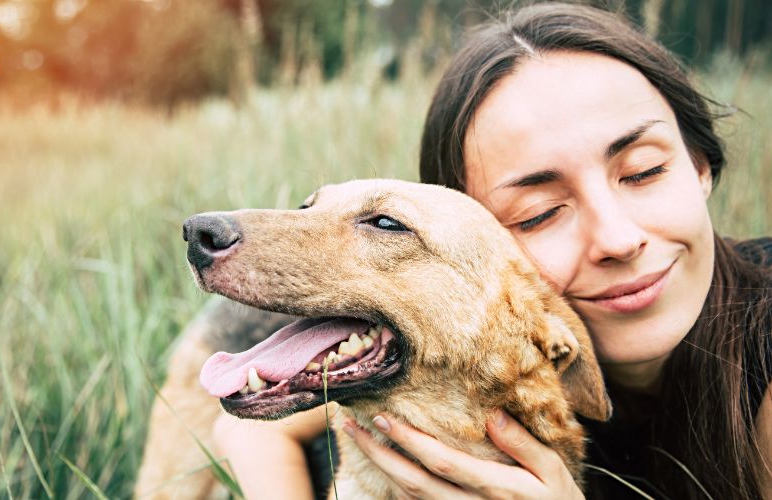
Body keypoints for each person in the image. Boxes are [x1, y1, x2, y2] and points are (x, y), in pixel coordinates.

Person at [211, 3, 772, 499]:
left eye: (645, 171)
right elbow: (247, 426)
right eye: (539, 214)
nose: (618, 240)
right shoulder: (466, 365)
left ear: (700, 165)